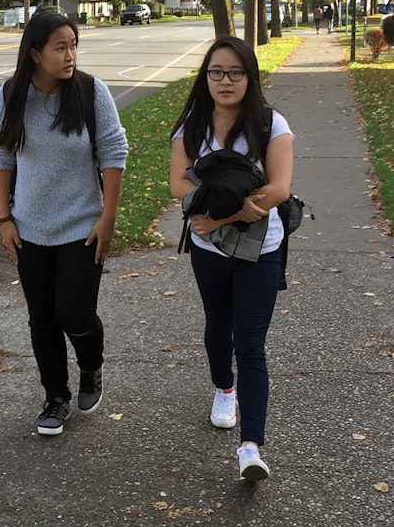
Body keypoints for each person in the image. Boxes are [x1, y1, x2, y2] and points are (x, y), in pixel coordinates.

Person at [0, 11, 128, 436]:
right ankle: (55, 397)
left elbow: (114, 153)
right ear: (35, 53)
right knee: (42, 318)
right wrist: (4, 217)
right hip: (29, 228)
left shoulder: (89, 92)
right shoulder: (12, 94)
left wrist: (108, 218)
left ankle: (91, 365)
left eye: (73, 45)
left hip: (82, 226)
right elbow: (1, 156)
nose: (70, 55)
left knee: (75, 312)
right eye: (60, 47)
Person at [169, 35, 293, 481]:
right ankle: (225, 389)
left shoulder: (269, 124)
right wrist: (213, 220)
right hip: (208, 252)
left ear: (249, 78)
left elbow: (279, 187)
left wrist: (227, 216)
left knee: (251, 344)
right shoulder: (191, 128)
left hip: (261, 247)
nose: (225, 81)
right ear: (205, 78)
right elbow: (178, 187)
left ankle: (250, 447)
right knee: (218, 328)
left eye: (235, 73)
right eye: (217, 72)